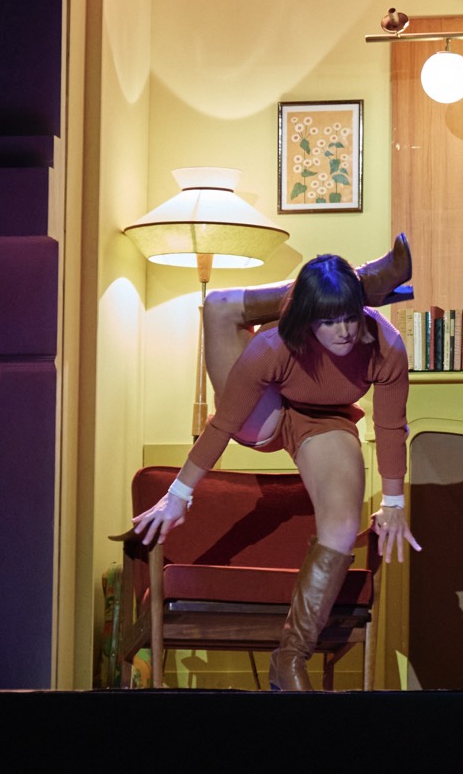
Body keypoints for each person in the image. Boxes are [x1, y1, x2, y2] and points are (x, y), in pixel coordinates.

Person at [131, 236, 420, 692]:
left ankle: (289, 658)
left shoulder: (386, 345)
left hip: (325, 423)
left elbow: (390, 426)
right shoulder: (273, 345)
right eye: (329, 319)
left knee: (343, 526)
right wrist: (178, 495)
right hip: (265, 415)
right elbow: (224, 423)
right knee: (219, 306)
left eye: (350, 315)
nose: (344, 331)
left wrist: (394, 501)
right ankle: (356, 282)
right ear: (307, 319)